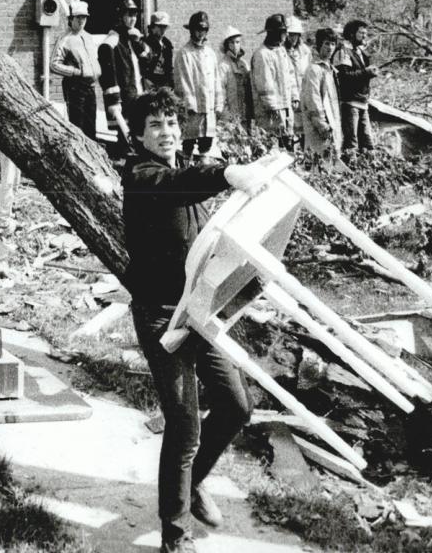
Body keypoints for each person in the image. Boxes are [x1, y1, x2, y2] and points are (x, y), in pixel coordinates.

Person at [122, 88, 253, 553]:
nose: (166, 132)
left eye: (172, 123)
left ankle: (192, 482)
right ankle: (176, 537)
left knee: (237, 406)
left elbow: (207, 244)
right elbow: (177, 185)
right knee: (183, 424)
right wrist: (227, 173)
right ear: (138, 134)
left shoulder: (180, 176)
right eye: (155, 125)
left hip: (198, 308)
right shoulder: (141, 175)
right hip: (162, 316)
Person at [98, 0, 147, 156]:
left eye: (135, 14)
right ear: (120, 16)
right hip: (124, 98)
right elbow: (107, 73)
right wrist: (114, 99)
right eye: (129, 14)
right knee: (125, 140)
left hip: (138, 94)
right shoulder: (112, 41)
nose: (133, 19)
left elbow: (148, 60)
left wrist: (138, 41)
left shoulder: (132, 39)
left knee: (138, 135)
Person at [174, 11, 223, 160]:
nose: (200, 33)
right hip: (193, 108)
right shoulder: (185, 53)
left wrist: (218, 103)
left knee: (206, 141)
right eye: (198, 29)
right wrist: (190, 104)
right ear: (191, 30)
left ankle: (204, 168)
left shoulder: (210, 53)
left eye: (204, 30)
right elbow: (183, 80)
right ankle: (185, 167)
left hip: (208, 107)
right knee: (189, 140)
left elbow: (216, 79)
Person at [50, 0, 100, 139]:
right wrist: (75, 72)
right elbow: (54, 64)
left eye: (84, 17)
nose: (81, 21)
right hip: (75, 88)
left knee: (91, 126)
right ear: (70, 19)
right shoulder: (65, 39)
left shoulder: (88, 37)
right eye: (78, 17)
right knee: (78, 127)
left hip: (90, 87)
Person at [334, 19, 379, 158]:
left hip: (362, 101)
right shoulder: (344, 52)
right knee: (351, 140)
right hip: (350, 102)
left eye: (366, 33)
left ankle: (367, 167)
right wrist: (366, 72)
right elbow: (345, 76)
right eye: (361, 33)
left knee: (366, 139)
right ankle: (350, 166)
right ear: (352, 34)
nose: (365, 36)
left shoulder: (360, 52)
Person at [250, 13, 296, 147]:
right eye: (282, 32)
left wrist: (294, 96)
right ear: (273, 33)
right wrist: (272, 105)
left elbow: (290, 74)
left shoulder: (282, 51)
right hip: (270, 113)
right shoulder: (262, 55)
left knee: (287, 144)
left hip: (285, 108)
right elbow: (264, 83)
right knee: (271, 146)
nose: (286, 35)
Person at [300, 27, 343, 164]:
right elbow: (313, 99)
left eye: (332, 44)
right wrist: (321, 124)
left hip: (332, 125)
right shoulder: (314, 69)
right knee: (317, 162)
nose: (330, 48)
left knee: (331, 161)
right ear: (319, 45)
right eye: (326, 44)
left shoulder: (330, 69)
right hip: (318, 127)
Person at [284, 18, 312, 146]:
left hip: (304, 92)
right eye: (290, 34)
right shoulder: (281, 51)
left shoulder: (305, 51)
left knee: (305, 131)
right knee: (290, 130)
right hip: (289, 95)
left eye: (295, 34)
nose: (293, 37)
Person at [219, 26, 252, 129]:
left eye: (237, 42)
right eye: (231, 43)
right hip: (230, 116)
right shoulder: (223, 66)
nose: (235, 46)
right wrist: (225, 115)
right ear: (227, 45)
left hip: (245, 115)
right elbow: (220, 92)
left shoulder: (244, 64)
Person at [141, 11, 175, 91]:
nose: (163, 30)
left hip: (164, 84)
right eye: (160, 26)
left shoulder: (167, 44)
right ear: (152, 27)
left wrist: (171, 83)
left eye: (165, 27)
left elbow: (169, 68)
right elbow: (142, 68)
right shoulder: (144, 43)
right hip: (149, 84)